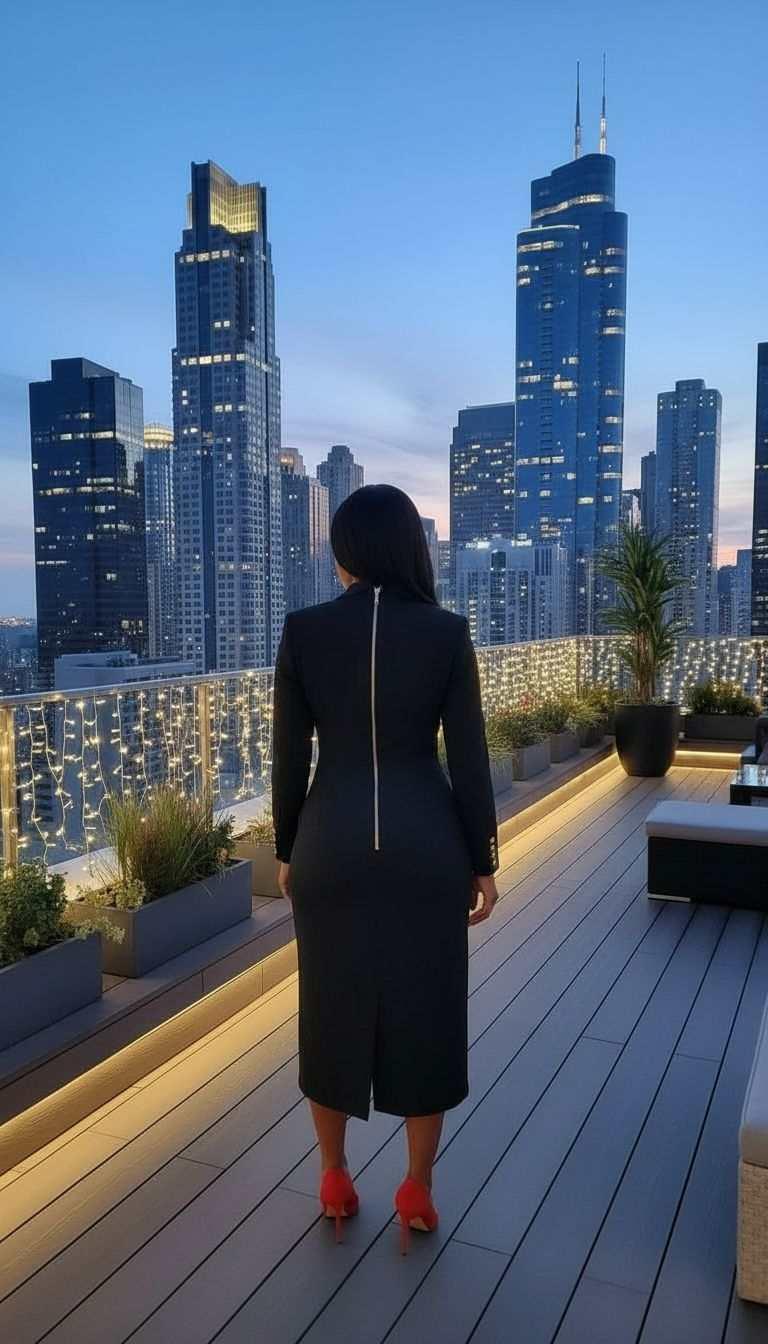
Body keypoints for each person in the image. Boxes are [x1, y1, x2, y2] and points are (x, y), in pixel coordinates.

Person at [271, 483, 499, 1253]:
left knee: (328, 1010)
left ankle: (334, 1174)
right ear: (410, 549)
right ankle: (417, 1188)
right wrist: (483, 859)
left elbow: (287, 758)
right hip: (426, 846)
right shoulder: (446, 634)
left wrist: (286, 848)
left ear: (344, 552)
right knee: (428, 1012)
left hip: (328, 846)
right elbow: (468, 760)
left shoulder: (302, 633)